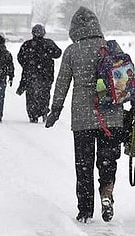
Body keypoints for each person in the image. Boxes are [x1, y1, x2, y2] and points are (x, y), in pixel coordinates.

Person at [45, 6, 123, 223]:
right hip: (112, 116)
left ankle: (85, 210)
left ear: (74, 29)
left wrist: (55, 111)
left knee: (84, 165)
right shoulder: (109, 48)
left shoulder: (72, 51)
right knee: (107, 161)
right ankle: (106, 193)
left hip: (83, 118)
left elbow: (62, 84)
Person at [17, 24, 62, 123]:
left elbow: (20, 57)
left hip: (30, 75)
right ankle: (44, 111)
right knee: (44, 94)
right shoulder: (48, 43)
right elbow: (58, 53)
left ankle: (33, 115)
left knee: (31, 96)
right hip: (46, 75)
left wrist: (27, 65)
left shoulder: (27, 44)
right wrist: (48, 53)